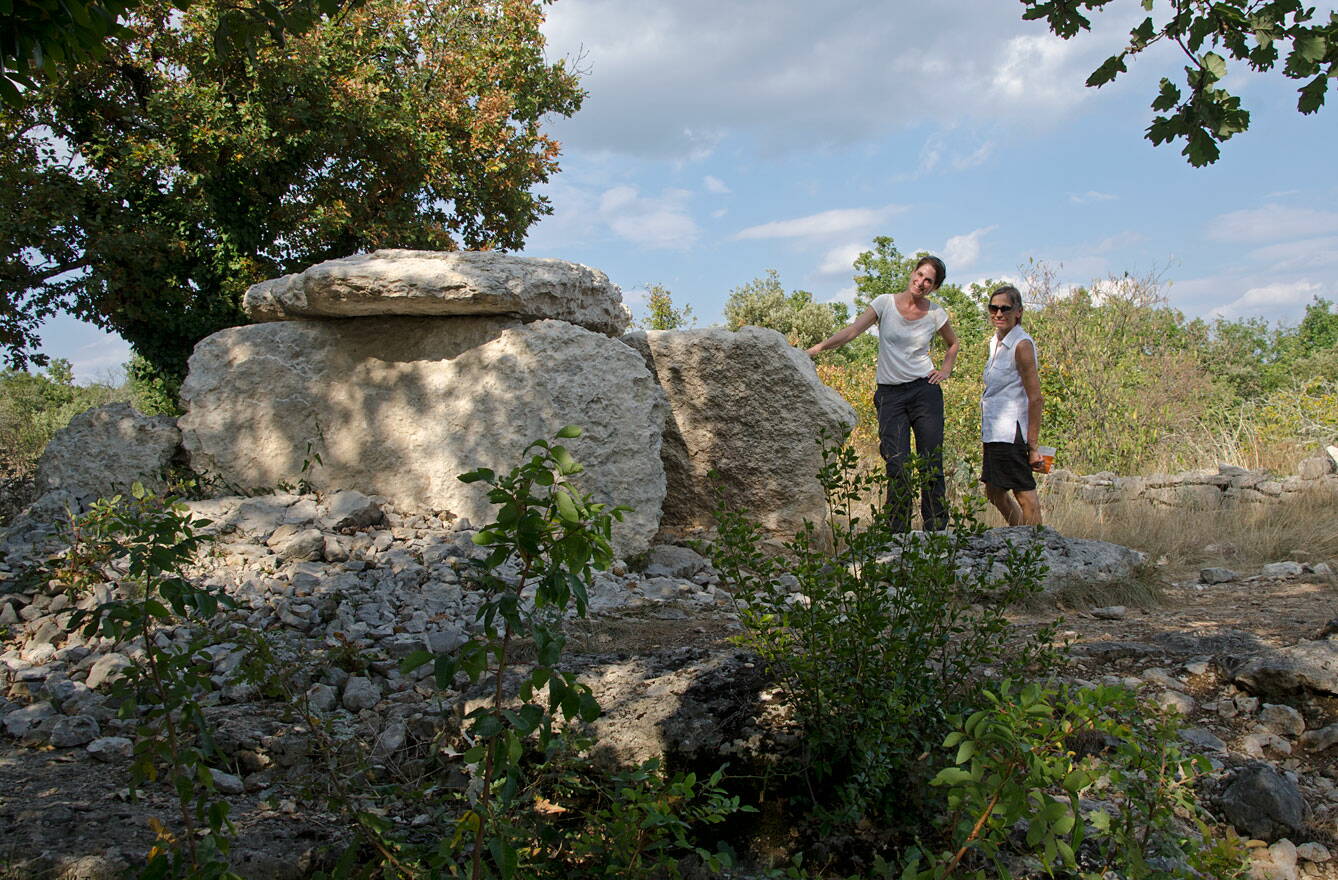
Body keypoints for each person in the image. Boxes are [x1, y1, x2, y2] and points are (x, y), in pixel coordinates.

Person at [807, 256, 959, 531]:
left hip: (925, 392)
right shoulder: (884, 303)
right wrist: (817, 349)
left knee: (930, 461)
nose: (921, 282)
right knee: (897, 463)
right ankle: (896, 533)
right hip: (891, 395)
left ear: (934, 287)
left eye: (929, 281)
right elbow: (853, 331)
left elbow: (953, 343)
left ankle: (936, 530)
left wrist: (946, 370)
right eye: (920, 274)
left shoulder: (936, 313)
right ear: (912, 272)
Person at [980, 284, 1044, 526]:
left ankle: (1037, 550)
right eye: (993, 308)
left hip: (1012, 430)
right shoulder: (995, 342)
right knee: (994, 492)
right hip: (994, 429)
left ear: (1018, 312)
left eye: (1005, 308)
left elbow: (1036, 397)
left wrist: (1033, 446)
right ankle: (1019, 538)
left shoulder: (1022, 345)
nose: (998, 314)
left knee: (1024, 493)